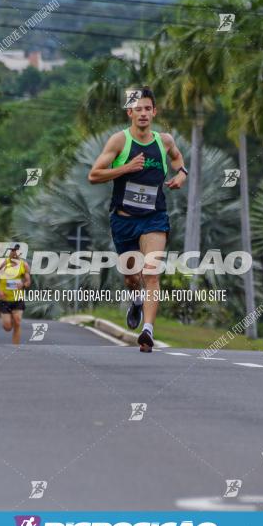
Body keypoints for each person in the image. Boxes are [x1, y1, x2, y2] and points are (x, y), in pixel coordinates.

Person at [87, 86, 187, 352]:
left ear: (154, 112)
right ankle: (136, 300)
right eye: (137, 109)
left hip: (154, 217)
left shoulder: (164, 140)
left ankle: (148, 331)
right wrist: (126, 168)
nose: (143, 113)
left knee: (151, 273)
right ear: (129, 112)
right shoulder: (119, 141)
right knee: (132, 277)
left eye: (147, 108)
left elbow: (177, 159)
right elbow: (94, 175)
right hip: (123, 220)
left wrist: (181, 175)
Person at [0, 244, 31, 345]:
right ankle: (8, 319)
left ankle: (15, 347)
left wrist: (22, 285)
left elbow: (28, 282)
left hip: (18, 299)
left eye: (16, 250)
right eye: (12, 250)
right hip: (4, 299)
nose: (14, 252)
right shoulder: (3, 264)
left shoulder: (24, 265)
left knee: (17, 322)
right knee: (8, 327)